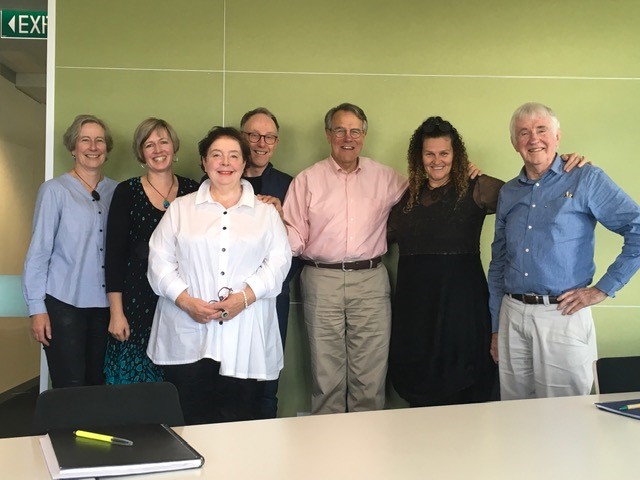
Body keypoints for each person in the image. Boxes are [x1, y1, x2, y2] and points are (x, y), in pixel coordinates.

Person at [488, 102, 640, 400]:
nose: (533, 139)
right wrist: (496, 327)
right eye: (523, 132)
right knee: (514, 416)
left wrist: (601, 290)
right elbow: (499, 263)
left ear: (557, 136)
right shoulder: (509, 192)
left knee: (568, 417)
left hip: (562, 315)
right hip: (512, 316)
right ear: (514, 143)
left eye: (541, 129)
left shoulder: (586, 178)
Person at [146, 126, 291, 424]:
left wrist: (245, 297)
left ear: (243, 163)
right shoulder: (181, 209)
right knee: (189, 419)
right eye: (216, 155)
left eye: (233, 155)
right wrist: (185, 301)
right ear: (204, 162)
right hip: (188, 331)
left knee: (238, 420)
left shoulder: (265, 213)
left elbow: (279, 262)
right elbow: (158, 261)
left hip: (245, 332)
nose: (225, 163)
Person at [283, 103, 408, 414]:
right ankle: (329, 452)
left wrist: (466, 172)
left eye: (355, 131)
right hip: (320, 279)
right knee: (326, 375)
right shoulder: (307, 180)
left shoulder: (386, 178)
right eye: (340, 130)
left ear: (364, 135)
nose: (347, 137)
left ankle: (368, 451)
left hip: (370, 279)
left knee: (371, 375)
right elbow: (292, 238)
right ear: (329, 135)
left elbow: (428, 191)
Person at [387, 116, 504, 407]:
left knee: (465, 391)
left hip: (461, 309)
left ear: (456, 155)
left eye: (444, 153)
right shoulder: (406, 197)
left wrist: (561, 166)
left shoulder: (477, 188)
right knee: (419, 391)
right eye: (429, 153)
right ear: (419, 157)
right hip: (414, 312)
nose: (437, 160)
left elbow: (529, 196)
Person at [23, 114, 118, 388]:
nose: (93, 146)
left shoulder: (117, 191)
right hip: (64, 304)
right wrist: (36, 309)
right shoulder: (54, 191)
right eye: (85, 140)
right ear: (73, 148)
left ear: (107, 149)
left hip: (105, 307)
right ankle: (65, 433)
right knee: (70, 384)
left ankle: (93, 432)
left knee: (98, 384)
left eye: (99, 140)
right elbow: (39, 252)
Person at [104, 118, 199, 384]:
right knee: (135, 390)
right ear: (141, 153)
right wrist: (116, 312)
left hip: (183, 303)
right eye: (149, 144)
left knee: (181, 386)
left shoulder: (195, 190)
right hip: (136, 305)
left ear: (174, 147)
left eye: (163, 142)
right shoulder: (127, 192)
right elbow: (114, 257)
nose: (158, 150)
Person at [239, 107, 302, 418]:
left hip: (273, 297)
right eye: (253, 135)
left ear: (276, 142)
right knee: (228, 377)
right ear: (241, 138)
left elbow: (304, 249)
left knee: (267, 380)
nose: (261, 143)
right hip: (228, 296)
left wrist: (282, 222)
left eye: (269, 137)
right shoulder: (219, 180)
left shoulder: (290, 186)